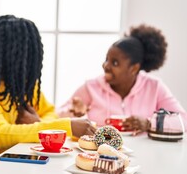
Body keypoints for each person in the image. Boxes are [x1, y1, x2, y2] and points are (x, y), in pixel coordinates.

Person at [0, 15, 95, 156]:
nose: (25, 63)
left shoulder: (25, 85)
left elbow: (50, 112)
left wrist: (36, 122)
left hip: (21, 162)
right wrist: (66, 126)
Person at [57, 24, 187, 134]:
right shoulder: (91, 87)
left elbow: (183, 121)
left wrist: (149, 123)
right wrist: (74, 112)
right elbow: (57, 116)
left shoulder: (154, 87)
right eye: (106, 59)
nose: (105, 66)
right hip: (100, 156)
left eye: (114, 63)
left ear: (134, 69)